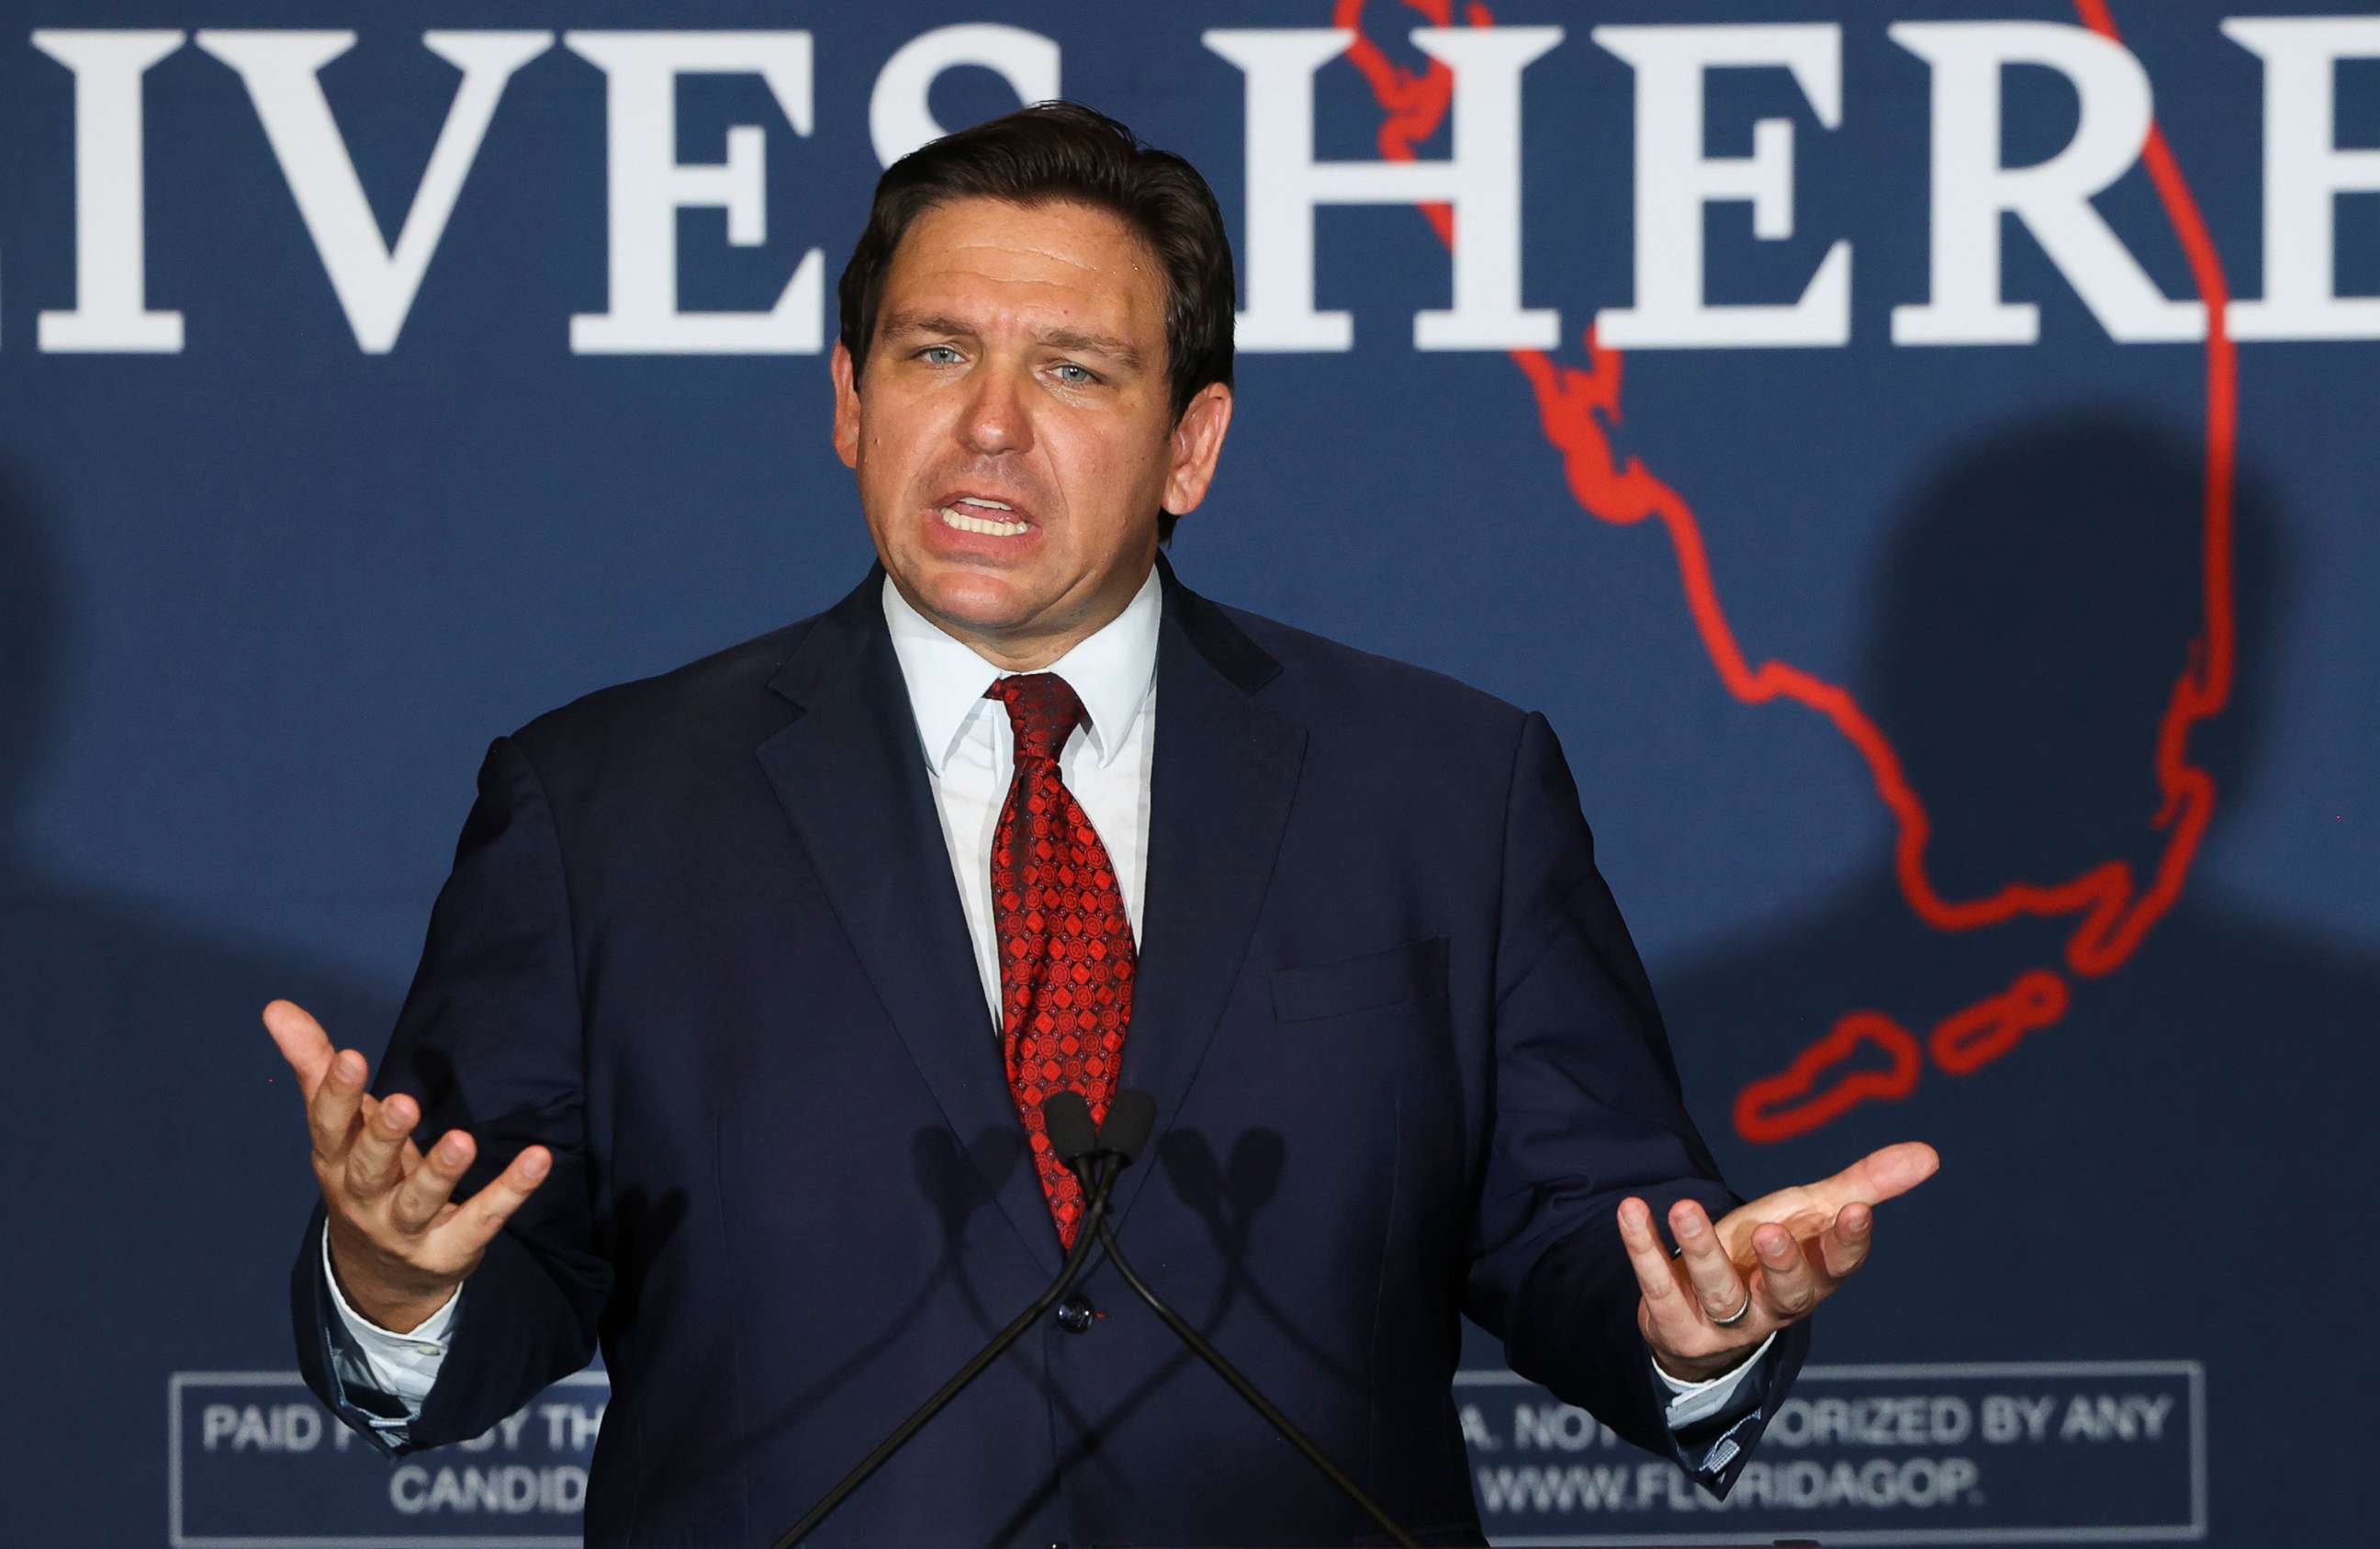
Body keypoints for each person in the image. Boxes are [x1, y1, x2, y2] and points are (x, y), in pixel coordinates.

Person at [265, 101, 1936, 1547]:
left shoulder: (1443, 789)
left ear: (1190, 444)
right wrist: (402, 1288)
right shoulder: (603, 803)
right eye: (934, 354)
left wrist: (1698, 1328)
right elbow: (485, 1262)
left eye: (1072, 368)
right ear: (849, 401)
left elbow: (1592, 1237)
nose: (989, 425)